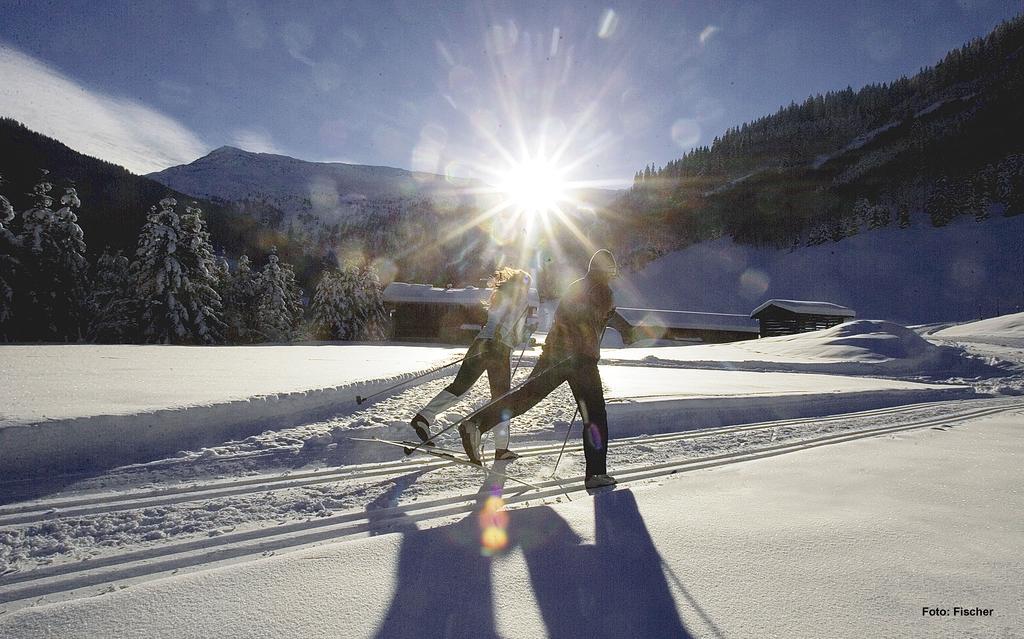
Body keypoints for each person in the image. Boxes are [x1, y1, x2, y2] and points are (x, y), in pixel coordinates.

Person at [458, 249, 619, 488]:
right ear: (607, 271)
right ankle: (596, 473)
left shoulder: (577, 286)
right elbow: (590, 315)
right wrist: (605, 314)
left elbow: (571, 315)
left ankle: (477, 424)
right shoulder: (603, 290)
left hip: (554, 352)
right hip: (580, 359)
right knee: (595, 414)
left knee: (526, 397)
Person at [410, 267, 533, 461]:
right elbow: (515, 333)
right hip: (499, 349)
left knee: (459, 386)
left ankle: (423, 418)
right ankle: (501, 449)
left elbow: (496, 321)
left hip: (480, 343)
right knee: (501, 399)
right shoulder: (522, 301)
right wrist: (527, 334)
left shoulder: (499, 294)